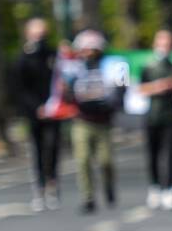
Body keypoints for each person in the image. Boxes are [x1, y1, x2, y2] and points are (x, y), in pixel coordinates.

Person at [64, 29, 123, 214]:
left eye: (92, 48)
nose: (88, 52)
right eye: (84, 49)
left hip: (103, 121)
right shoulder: (74, 69)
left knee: (105, 161)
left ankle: (109, 187)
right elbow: (66, 93)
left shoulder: (111, 65)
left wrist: (111, 103)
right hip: (82, 120)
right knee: (83, 160)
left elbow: (121, 89)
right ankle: (88, 197)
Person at [14, 18, 64, 212]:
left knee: (52, 148)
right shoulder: (23, 59)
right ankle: (39, 188)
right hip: (34, 112)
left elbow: (61, 80)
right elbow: (20, 88)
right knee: (37, 150)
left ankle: (52, 184)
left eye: (42, 34)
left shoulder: (54, 56)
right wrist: (37, 107)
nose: (39, 38)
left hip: (54, 110)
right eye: (36, 34)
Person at [140, 29, 172, 210]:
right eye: (161, 43)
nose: (164, 47)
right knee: (153, 153)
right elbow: (140, 89)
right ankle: (155, 186)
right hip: (152, 116)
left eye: (167, 44)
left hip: (170, 115)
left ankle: (170, 187)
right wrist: (158, 86)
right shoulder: (148, 67)